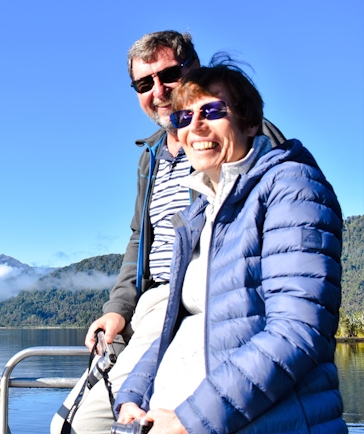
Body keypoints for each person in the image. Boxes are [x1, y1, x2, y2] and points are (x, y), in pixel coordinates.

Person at [51, 31, 285, 434]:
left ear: (194, 69)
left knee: (100, 428)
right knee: (68, 424)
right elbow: (139, 242)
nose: (158, 91)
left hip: (203, 303)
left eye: (169, 75)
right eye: (144, 84)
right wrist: (117, 310)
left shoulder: (242, 134)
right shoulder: (152, 157)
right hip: (151, 305)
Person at [114, 57, 346, 433]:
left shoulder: (291, 187)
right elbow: (176, 327)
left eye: (212, 110)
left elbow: (298, 332)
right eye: (183, 118)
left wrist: (191, 419)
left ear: (251, 122)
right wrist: (132, 398)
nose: (196, 126)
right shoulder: (201, 214)